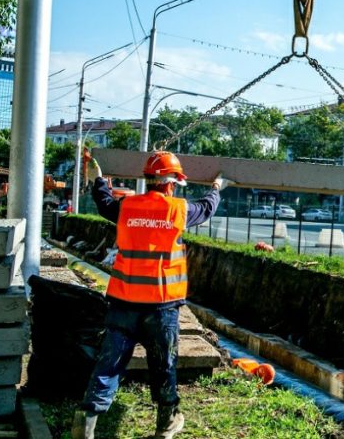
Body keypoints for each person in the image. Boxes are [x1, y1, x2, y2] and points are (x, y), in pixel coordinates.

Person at [72, 151, 233, 439]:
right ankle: (165, 424)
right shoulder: (178, 210)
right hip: (161, 307)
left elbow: (104, 201)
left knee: (109, 363)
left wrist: (98, 179)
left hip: (123, 303)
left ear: (148, 181)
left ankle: (87, 420)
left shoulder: (127, 207)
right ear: (172, 184)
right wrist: (217, 187)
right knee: (164, 364)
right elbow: (207, 208)